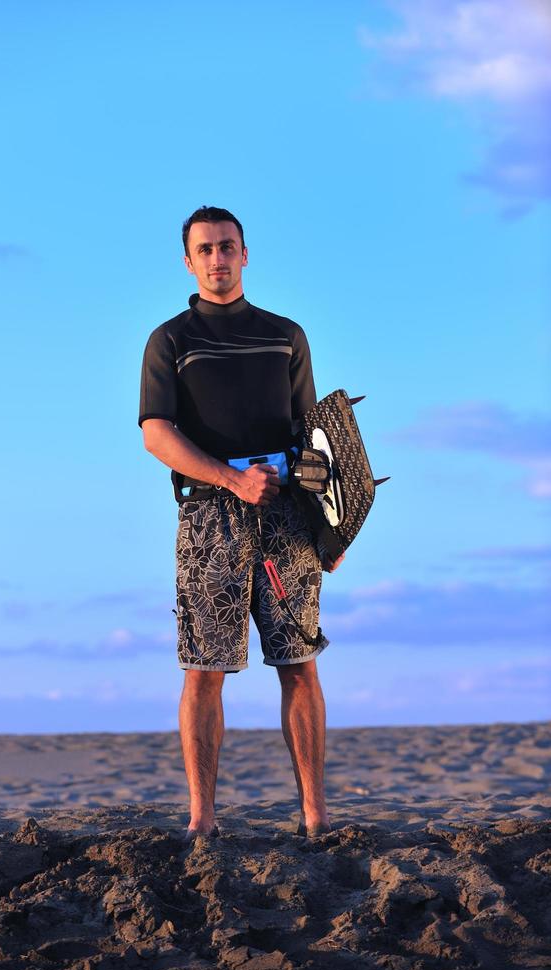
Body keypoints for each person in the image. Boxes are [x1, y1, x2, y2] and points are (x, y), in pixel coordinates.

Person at [138, 205, 344, 840]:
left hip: (286, 518)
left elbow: (317, 439)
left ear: (245, 253)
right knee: (203, 669)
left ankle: (314, 816)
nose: (217, 259)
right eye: (205, 250)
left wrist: (330, 528)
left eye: (227, 247)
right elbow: (155, 434)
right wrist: (229, 478)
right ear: (189, 261)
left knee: (299, 662)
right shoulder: (170, 340)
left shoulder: (286, 335)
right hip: (209, 520)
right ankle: (203, 820)